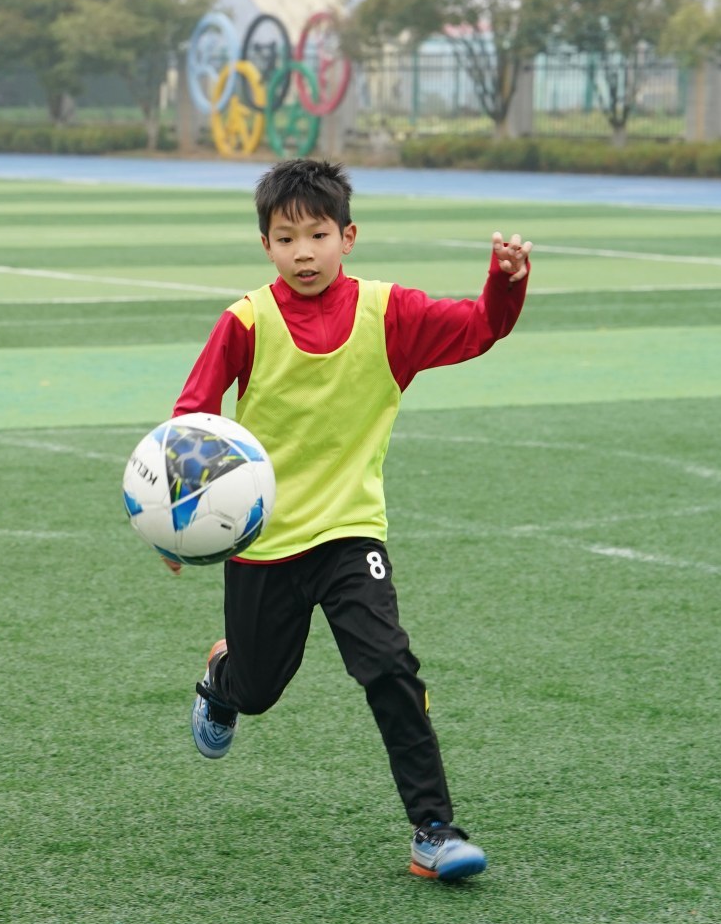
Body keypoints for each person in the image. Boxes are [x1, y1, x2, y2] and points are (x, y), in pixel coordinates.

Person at [171, 158, 532, 881]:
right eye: (285, 239)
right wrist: (179, 520)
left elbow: (480, 327)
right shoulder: (245, 321)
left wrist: (506, 282)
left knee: (389, 667)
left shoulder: (389, 313)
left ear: (348, 236)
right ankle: (222, 678)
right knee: (259, 689)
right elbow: (193, 419)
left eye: (317, 235)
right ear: (265, 245)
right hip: (263, 543)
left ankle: (434, 831)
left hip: (349, 531)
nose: (302, 253)